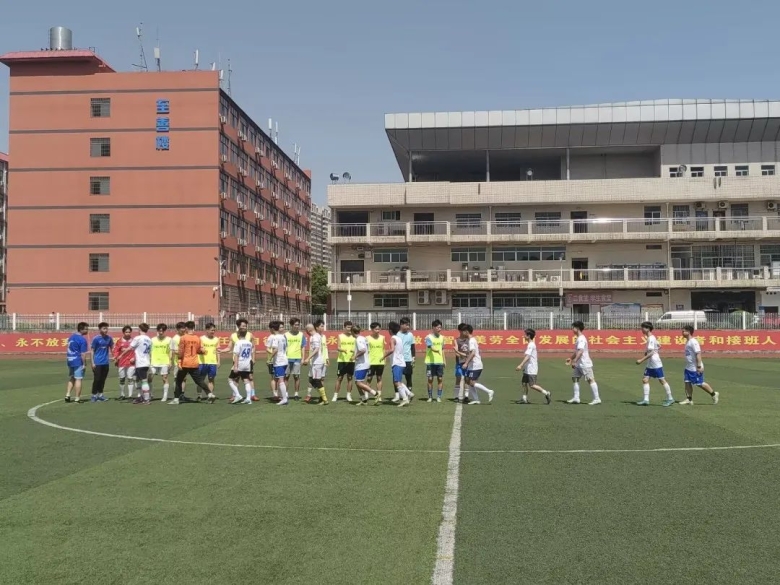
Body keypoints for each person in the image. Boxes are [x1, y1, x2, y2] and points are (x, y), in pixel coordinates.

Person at [172, 321, 214, 405]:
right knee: (199, 381)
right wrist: (203, 352)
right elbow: (199, 350)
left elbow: (181, 351)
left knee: (178, 381)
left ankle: (176, 399)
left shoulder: (183, 338)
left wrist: (179, 361)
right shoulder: (197, 338)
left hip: (185, 362)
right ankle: (210, 394)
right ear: (193, 328)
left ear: (186, 328)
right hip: (194, 363)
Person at [635, 321, 675, 407]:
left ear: (648, 329)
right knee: (645, 380)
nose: (642, 329)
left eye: (643, 328)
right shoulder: (652, 337)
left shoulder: (651, 338)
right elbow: (659, 346)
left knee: (662, 380)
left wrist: (641, 360)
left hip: (655, 362)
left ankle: (670, 398)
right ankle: (646, 400)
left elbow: (652, 352)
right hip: (650, 363)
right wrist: (650, 351)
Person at [680, 325, 719, 405]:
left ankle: (714, 394)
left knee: (699, 383)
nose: (682, 333)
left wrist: (699, 366)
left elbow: (698, 354)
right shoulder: (688, 341)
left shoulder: (693, 342)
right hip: (688, 367)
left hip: (695, 367)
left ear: (688, 332)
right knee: (687, 382)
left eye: (683, 331)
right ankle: (689, 399)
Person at [565, 321, 601, 405]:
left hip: (585, 363)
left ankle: (597, 398)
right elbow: (577, 351)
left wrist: (574, 361)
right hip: (579, 364)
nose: (572, 329)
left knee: (590, 379)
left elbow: (580, 351)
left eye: (573, 327)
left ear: (577, 328)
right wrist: (571, 358)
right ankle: (576, 398)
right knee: (575, 378)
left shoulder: (581, 339)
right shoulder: (579, 338)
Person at [118, 323, 152, 404]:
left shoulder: (138, 338)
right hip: (146, 362)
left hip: (141, 363)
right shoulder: (149, 339)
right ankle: (140, 396)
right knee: (136, 378)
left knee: (144, 380)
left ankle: (147, 399)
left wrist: (121, 355)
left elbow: (129, 348)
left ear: (140, 329)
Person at [461, 324, 495, 405]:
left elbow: (473, 353)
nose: (462, 333)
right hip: (472, 365)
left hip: (475, 365)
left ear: (466, 332)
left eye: (463, 331)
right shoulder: (472, 340)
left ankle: (489, 391)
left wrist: (466, 363)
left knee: (471, 382)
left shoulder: (471, 341)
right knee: (468, 381)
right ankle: (476, 399)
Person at [515, 328, 551, 404]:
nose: (523, 336)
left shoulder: (531, 345)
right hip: (527, 368)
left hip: (532, 368)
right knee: (524, 383)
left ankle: (546, 393)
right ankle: (524, 398)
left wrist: (521, 365)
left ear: (528, 336)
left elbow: (528, 356)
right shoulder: (530, 344)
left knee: (532, 385)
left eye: (525, 335)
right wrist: (524, 367)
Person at [384, 321, 412, 407]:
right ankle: (409, 393)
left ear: (390, 330)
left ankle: (405, 399)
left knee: (396, 382)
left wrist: (384, 355)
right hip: (401, 362)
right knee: (399, 381)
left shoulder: (392, 339)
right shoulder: (399, 338)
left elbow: (392, 349)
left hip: (397, 363)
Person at [303, 320, 329, 405]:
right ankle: (322, 398)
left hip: (317, 362)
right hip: (316, 361)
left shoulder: (315, 337)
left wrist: (308, 358)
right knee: (313, 380)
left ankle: (324, 399)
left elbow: (316, 349)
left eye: (306, 331)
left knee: (317, 381)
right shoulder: (317, 336)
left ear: (309, 330)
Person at [353, 325, 379, 405]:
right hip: (363, 363)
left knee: (359, 383)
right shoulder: (363, 338)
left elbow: (363, 350)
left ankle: (375, 393)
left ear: (353, 332)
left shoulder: (359, 339)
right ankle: (363, 399)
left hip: (362, 364)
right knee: (357, 382)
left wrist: (355, 356)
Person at [65, 322, 89, 403]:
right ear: (81, 329)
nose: (87, 330)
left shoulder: (71, 337)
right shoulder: (82, 340)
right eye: (86, 329)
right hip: (77, 361)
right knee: (78, 379)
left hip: (70, 359)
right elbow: (83, 354)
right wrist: (84, 363)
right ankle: (77, 398)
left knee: (72, 377)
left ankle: (67, 394)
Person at [229, 330, 255, 404]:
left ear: (238, 335)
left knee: (230, 380)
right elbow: (251, 353)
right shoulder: (249, 343)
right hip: (247, 364)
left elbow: (236, 355)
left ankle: (237, 395)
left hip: (240, 363)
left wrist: (235, 366)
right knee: (246, 380)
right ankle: (248, 398)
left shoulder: (238, 343)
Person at [90, 321, 113, 402]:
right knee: (97, 379)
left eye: (106, 328)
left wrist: (114, 356)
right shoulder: (96, 339)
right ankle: (94, 395)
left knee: (103, 379)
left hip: (105, 362)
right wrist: (92, 362)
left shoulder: (109, 338)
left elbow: (112, 348)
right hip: (97, 362)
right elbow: (92, 350)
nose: (106, 330)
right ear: (100, 329)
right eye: (104, 328)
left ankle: (100, 394)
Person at [333, 320, 356, 403]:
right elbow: (338, 347)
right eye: (348, 327)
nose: (349, 329)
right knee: (339, 378)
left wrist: (354, 352)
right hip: (342, 360)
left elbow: (357, 347)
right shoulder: (340, 336)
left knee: (350, 378)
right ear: (344, 327)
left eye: (350, 327)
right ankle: (335, 395)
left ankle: (348, 395)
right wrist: (343, 350)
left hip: (351, 360)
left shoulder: (354, 337)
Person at [268, 320, 290, 406]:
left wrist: (270, 358)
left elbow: (275, 349)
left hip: (279, 361)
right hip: (284, 360)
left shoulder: (275, 337)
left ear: (273, 329)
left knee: (280, 380)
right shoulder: (283, 337)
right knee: (282, 379)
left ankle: (284, 398)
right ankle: (284, 397)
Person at [285, 318, 307, 400]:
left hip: (297, 358)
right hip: (287, 358)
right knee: (286, 377)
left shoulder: (301, 335)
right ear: (291, 325)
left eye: (298, 324)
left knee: (296, 377)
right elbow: (283, 347)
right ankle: (286, 394)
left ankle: (296, 394)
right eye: (295, 325)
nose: (297, 326)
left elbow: (303, 347)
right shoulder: (286, 335)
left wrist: (303, 358)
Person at [150, 323, 172, 403]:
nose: (161, 332)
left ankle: (165, 396)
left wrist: (170, 361)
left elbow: (170, 351)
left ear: (165, 331)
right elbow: (149, 351)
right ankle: (150, 394)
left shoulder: (169, 340)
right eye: (159, 331)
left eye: (162, 331)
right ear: (157, 331)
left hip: (164, 362)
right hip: (153, 362)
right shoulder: (152, 340)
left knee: (164, 378)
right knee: (150, 377)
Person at [425, 319, 446, 403]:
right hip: (430, 362)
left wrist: (444, 360)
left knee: (440, 379)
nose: (439, 329)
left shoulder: (442, 338)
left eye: (440, 327)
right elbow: (430, 347)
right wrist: (436, 350)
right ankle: (430, 397)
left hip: (439, 362)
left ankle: (438, 397)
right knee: (430, 379)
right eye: (437, 327)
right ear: (433, 327)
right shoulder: (428, 337)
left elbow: (443, 349)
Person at [199, 323, 220, 400]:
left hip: (213, 362)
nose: (213, 332)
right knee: (200, 379)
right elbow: (199, 349)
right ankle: (199, 395)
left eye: (214, 330)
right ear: (207, 330)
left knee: (211, 379)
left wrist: (218, 361)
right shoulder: (201, 339)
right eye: (211, 330)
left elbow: (217, 351)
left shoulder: (216, 339)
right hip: (202, 362)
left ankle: (210, 395)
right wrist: (202, 350)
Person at [113, 325, 136, 401]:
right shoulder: (119, 341)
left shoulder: (134, 341)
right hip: (122, 362)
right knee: (122, 379)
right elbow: (116, 350)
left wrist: (134, 358)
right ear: (123, 332)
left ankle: (130, 396)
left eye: (129, 332)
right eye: (126, 332)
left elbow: (137, 351)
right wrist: (115, 358)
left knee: (130, 378)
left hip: (131, 363)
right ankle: (122, 394)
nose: (128, 333)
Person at [396, 317, 416, 402]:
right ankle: (398, 395)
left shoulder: (410, 335)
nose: (408, 326)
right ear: (401, 325)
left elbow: (412, 347)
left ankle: (409, 393)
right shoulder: (397, 334)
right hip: (399, 359)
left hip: (408, 359)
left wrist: (413, 357)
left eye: (408, 325)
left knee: (408, 377)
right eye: (406, 325)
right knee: (397, 378)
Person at [366, 322, 386, 397]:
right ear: (372, 329)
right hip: (371, 361)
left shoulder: (382, 337)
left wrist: (384, 359)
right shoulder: (367, 338)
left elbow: (383, 349)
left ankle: (379, 395)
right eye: (376, 329)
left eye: (378, 329)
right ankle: (366, 395)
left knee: (379, 378)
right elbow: (366, 350)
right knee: (369, 378)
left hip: (380, 361)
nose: (377, 331)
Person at [453, 323, 470, 402]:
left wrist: (462, 355)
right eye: (464, 330)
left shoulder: (469, 340)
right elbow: (456, 353)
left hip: (468, 363)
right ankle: (456, 396)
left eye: (466, 330)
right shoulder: (456, 340)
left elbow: (469, 353)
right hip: (459, 363)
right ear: (460, 331)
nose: (465, 332)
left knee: (467, 379)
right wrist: (463, 355)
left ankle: (466, 396)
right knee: (458, 378)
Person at [170, 322, 187, 397]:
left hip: (186, 362)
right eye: (181, 328)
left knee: (184, 379)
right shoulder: (175, 339)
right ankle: (176, 394)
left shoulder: (186, 337)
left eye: (184, 328)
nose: (183, 329)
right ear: (177, 329)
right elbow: (174, 351)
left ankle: (182, 394)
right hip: (178, 362)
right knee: (176, 378)